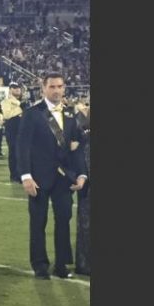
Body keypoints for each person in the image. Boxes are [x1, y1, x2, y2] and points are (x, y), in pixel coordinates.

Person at [17, 73, 88, 279]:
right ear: (43, 89)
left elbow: (76, 148)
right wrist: (25, 176)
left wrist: (81, 174)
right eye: (52, 87)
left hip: (64, 178)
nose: (56, 90)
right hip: (38, 177)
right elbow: (22, 147)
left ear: (64, 88)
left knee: (64, 220)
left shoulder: (69, 114)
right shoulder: (32, 114)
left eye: (60, 86)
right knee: (38, 221)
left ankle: (61, 265)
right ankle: (39, 264)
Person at [73, 103, 90, 276]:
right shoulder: (81, 120)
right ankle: (85, 264)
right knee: (86, 223)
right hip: (87, 178)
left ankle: (85, 263)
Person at [1, 82, 26, 182]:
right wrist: (20, 109)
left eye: (19, 88)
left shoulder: (21, 102)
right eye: (15, 88)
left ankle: (21, 174)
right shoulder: (6, 102)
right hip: (12, 130)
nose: (18, 90)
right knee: (14, 153)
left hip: (22, 130)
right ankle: (14, 175)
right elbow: (7, 115)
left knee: (21, 153)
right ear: (10, 90)